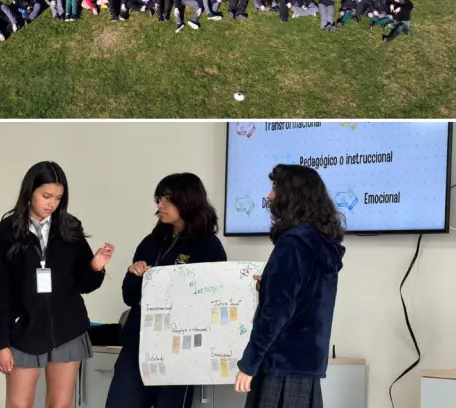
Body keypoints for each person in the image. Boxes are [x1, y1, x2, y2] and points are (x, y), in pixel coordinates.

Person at [0, 161, 114, 408]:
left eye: (58, 198)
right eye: (46, 196)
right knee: (18, 404)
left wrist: (95, 267)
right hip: (23, 330)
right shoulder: (6, 232)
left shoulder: (69, 228)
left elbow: (84, 284)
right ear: (30, 191)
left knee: (61, 404)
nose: (52, 204)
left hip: (67, 328)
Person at [105, 173, 228, 408]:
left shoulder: (208, 246)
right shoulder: (151, 242)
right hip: (139, 344)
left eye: (167, 200)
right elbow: (129, 297)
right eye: (159, 199)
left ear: (188, 201)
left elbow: (213, 302)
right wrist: (133, 273)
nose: (160, 205)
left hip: (180, 348)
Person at [235, 164, 345, 408]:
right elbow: (305, 297)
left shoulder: (291, 245)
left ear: (291, 195)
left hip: (279, 365)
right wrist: (268, 285)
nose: (269, 196)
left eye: (275, 189)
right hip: (307, 365)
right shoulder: (321, 244)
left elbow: (276, 313)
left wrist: (249, 364)